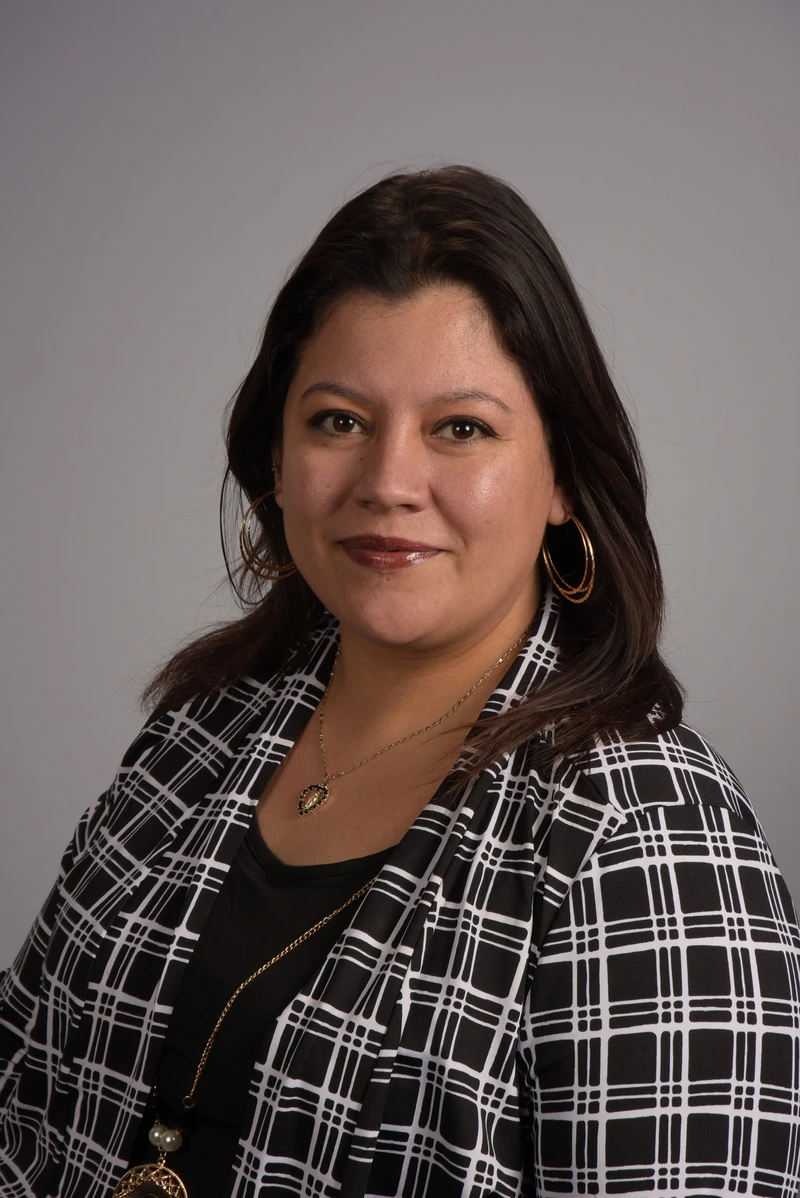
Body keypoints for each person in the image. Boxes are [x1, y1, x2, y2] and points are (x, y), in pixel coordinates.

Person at [2, 164, 799, 1198]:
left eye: (459, 429)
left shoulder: (647, 836)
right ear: (275, 462)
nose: (386, 483)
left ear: (562, 476)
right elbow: (21, 1103)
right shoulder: (195, 741)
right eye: (338, 420)